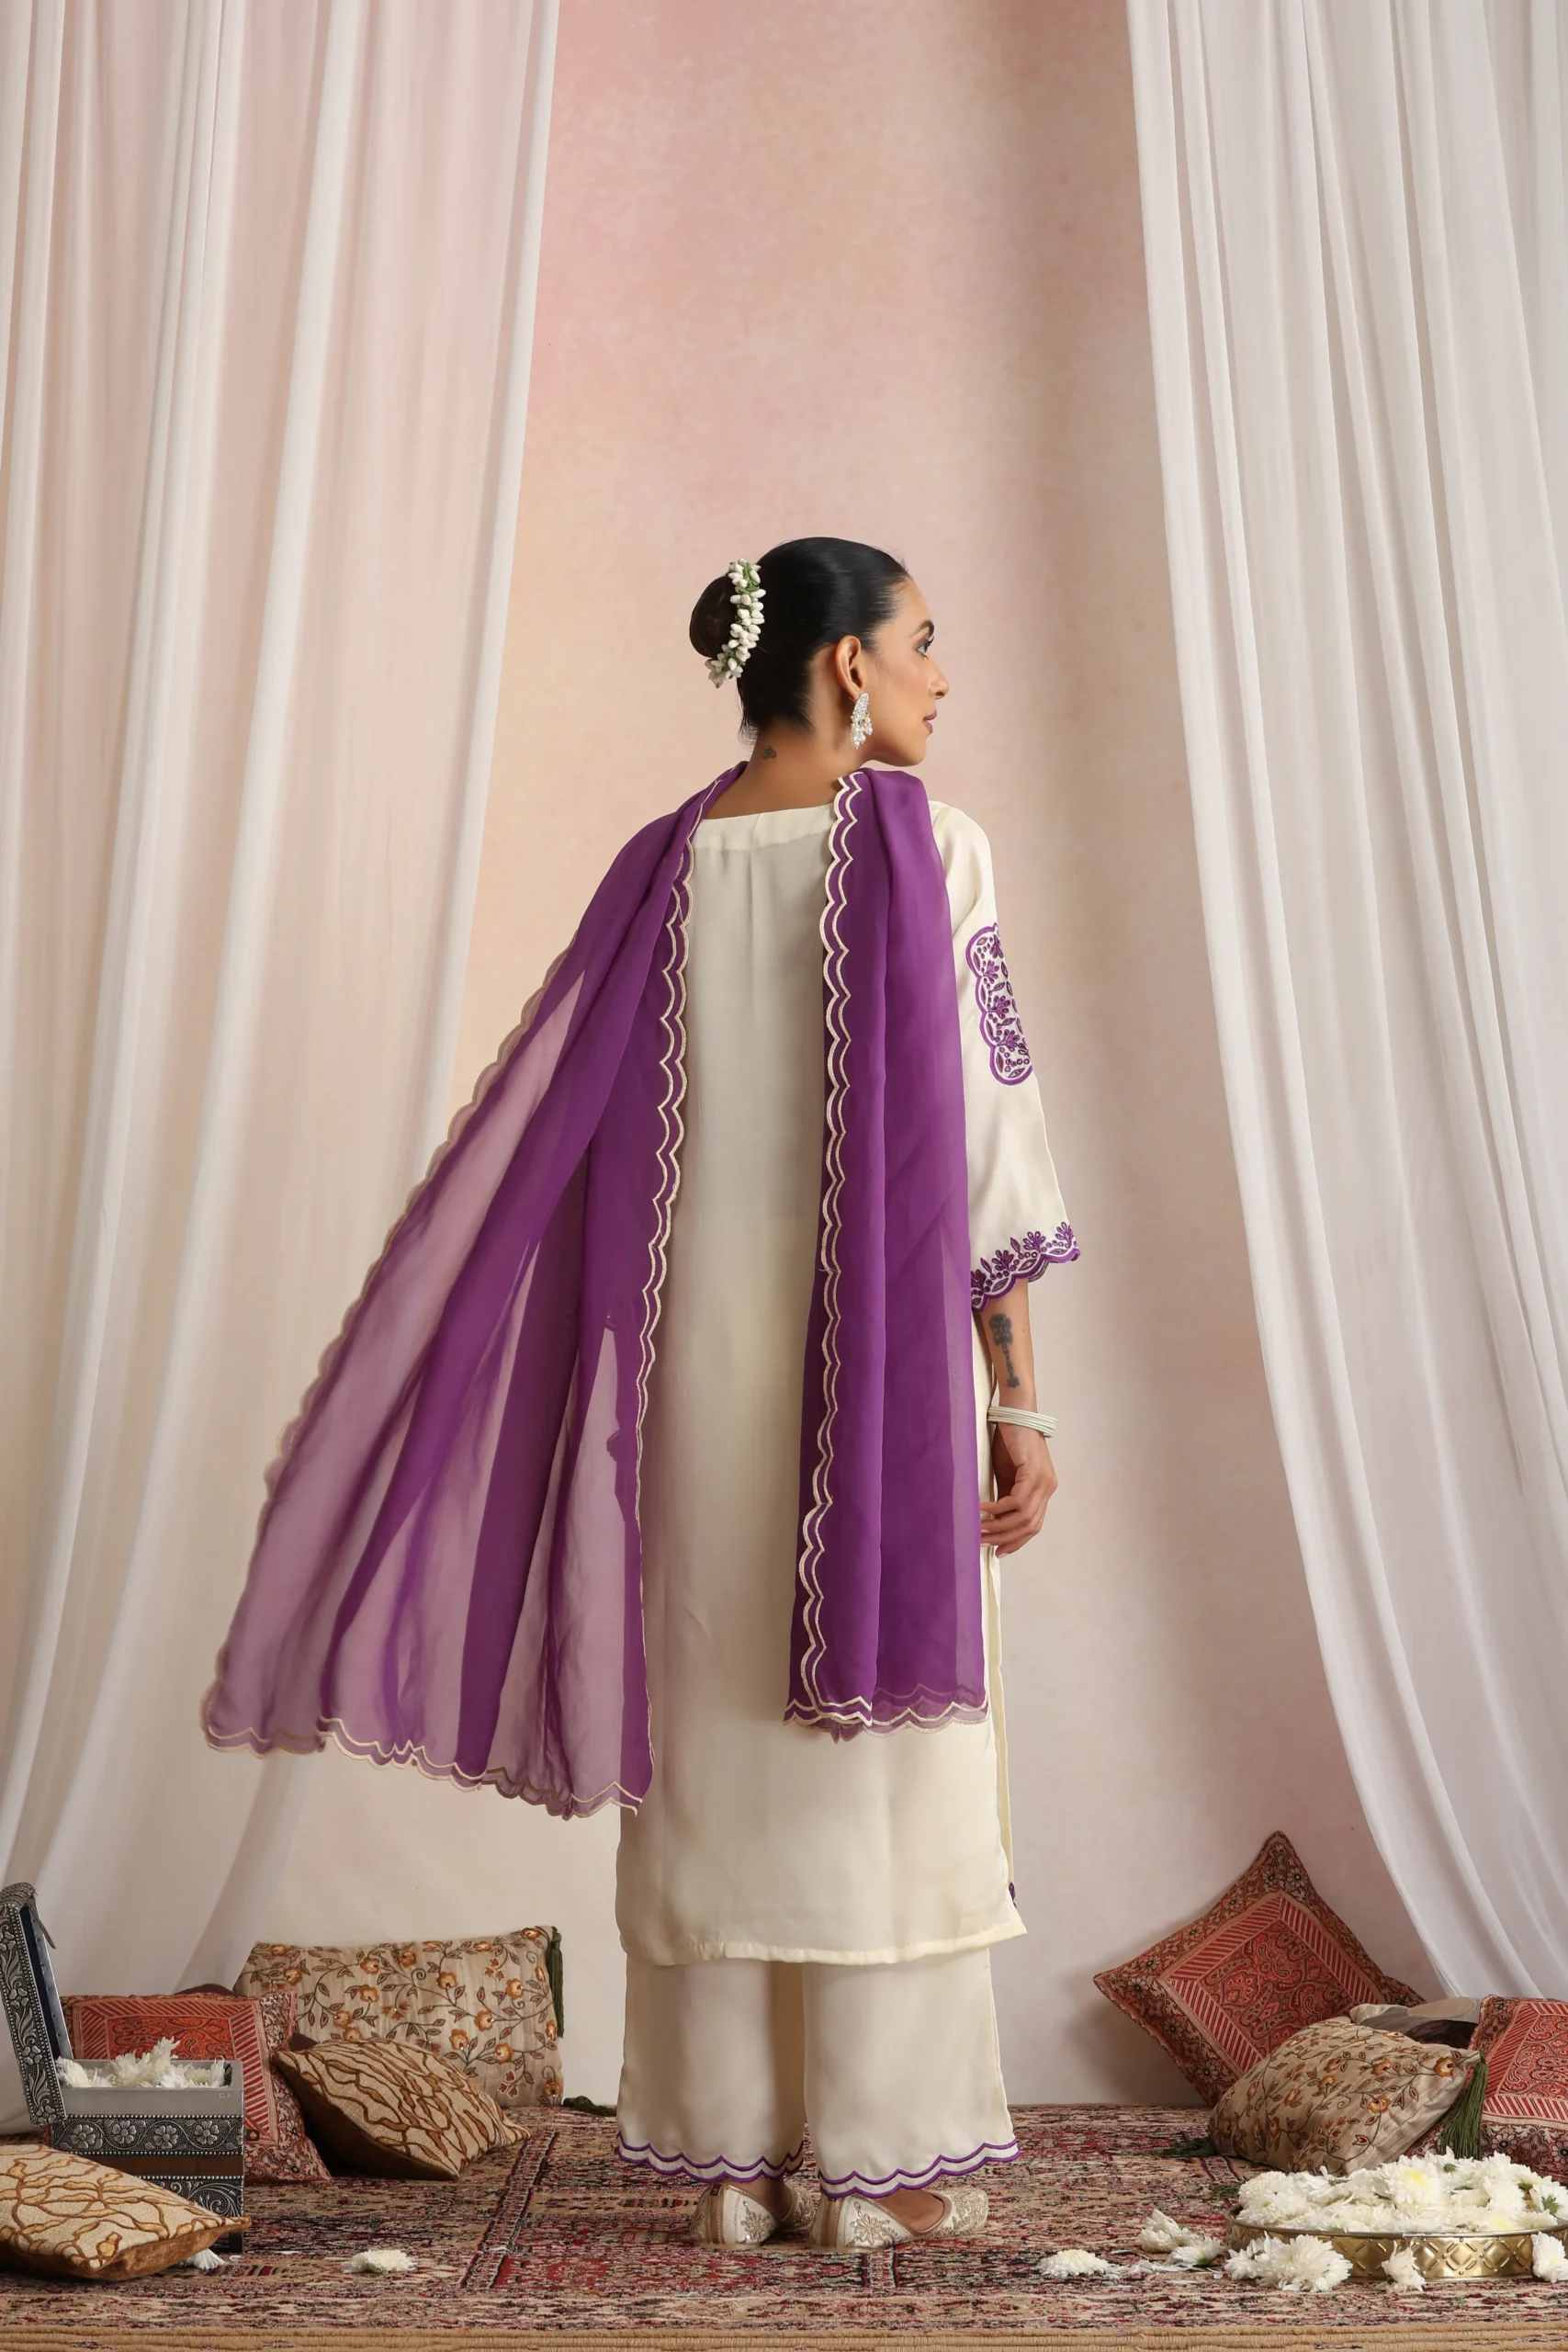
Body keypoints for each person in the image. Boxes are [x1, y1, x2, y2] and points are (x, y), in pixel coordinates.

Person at [201, 536, 1075, 2255]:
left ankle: (729, 2163)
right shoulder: (932, 848)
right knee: (875, 1767)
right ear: (845, 666)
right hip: (872, 1391)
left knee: (718, 1750)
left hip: (687, 1395)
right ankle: (880, 2164)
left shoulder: (658, 870)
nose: (939, 674)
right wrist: (1020, 1400)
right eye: (920, 641)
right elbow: (994, 1140)